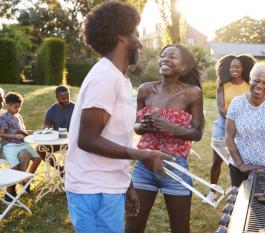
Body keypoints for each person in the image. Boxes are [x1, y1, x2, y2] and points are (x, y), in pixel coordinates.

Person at [64, 2, 172, 233]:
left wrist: (126, 184)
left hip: (110, 187)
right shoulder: (105, 77)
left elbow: (115, 138)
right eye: (135, 32)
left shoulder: (120, 79)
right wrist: (143, 154)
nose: (139, 40)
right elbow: (87, 139)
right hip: (90, 190)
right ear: (121, 36)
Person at [125, 44, 204, 233]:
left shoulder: (192, 93)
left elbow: (198, 133)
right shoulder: (145, 90)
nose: (165, 58)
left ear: (183, 67)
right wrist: (141, 127)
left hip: (175, 167)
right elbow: (136, 127)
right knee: (132, 227)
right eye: (163, 55)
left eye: (172, 56)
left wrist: (171, 127)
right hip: (144, 165)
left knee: (180, 229)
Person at [206, 54, 255, 203]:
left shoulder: (249, 85)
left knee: (238, 162)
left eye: (238, 66)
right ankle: (212, 193)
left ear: (242, 69)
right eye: (232, 66)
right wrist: (237, 119)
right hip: (223, 124)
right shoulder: (223, 86)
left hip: (244, 126)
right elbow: (221, 109)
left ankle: (239, 193)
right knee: (217, 161)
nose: (234, 69)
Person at [0, 92, 41, 201]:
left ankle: (25, 180)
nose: (18, 109)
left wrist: (29, 132)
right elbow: (1, 134)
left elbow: (21, 130)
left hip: (22, 144)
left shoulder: (19, 116)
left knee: (37, 159)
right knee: (15, 166)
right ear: (8, 105)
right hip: (10, 145)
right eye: (15, 107)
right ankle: (10, 189)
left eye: (19, 107)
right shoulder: (4, 118)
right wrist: (14, 136)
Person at [37, 86, 74, 169]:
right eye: (63, 98)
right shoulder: (51, 111)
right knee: (40, 148)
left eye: (68, 97)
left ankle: (71, 170)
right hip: (57, 141)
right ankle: (59, 168)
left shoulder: (75, 108)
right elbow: (46, 130)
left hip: (73, 140)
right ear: (57, 97)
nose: (66, 100)